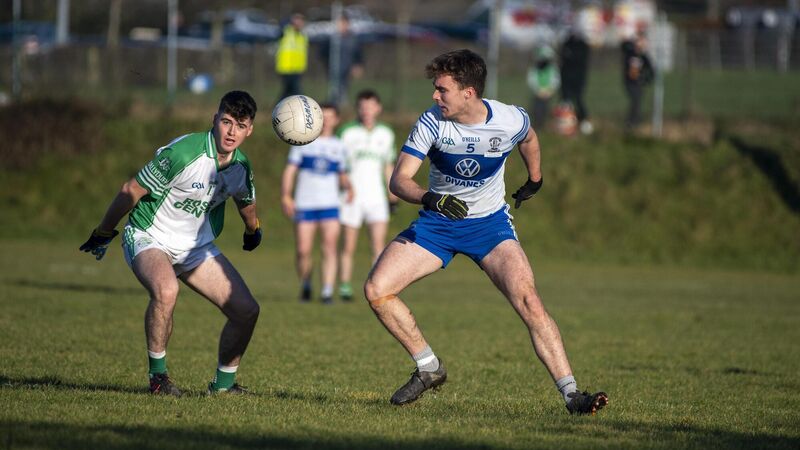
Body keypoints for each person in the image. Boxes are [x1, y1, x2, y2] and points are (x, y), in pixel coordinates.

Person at [363, 49, 608, 415]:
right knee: (377, 289)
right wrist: (431, 199)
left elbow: (529, 138)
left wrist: (535, 179)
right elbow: (399, 181)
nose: (434, 96)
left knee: (529, 301)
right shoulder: (432, 123)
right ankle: (429, 367)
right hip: (438, 223)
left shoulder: (509, 118)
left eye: (442, 89)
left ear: (469, 92)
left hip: (489, 226)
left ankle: (573, 395)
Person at [79, 91, 263, 396]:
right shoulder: (184, 153)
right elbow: (131, 190)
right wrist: (104, 230)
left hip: (196, 248)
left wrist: (252, 229)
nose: (231, 132)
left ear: (250, 130)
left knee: (247, 311)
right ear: (214, 119)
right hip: (149, 235)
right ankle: (158, 379)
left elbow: (245, 200)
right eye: (227, 122)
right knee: (166, 290)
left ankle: (223, 386)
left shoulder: (241, 166)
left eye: (240, 126)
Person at [280, 103, 353, 304]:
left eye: (331, 117)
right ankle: (306, 284)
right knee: (303, 250)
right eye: (323, 117)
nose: (327, 121)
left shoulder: (339, 146)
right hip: (305, 204)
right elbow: (290, 171)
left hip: (330, 204)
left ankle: (327, 291)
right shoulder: (302, 141)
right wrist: (286, 195)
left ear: (337, 120)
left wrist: (350, 188)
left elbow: (342, 174)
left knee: (329, 247)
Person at [336, 90, 399, 301]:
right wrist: (345, 185)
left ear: (378, 108)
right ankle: (345, 285)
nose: (367, 111)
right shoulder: (346, 132)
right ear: (357, 108)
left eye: (371, 106)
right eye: (363, 106)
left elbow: (388, 166)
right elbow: (339, 166)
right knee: (348, 245)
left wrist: (392, 196)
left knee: (378, 245)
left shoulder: (386, 133)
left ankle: (376, 285)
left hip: (376, 197)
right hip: (351, 197)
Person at [321, 14, 364, 107]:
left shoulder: (352, 38)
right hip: (333, 69)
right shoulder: (332, 38)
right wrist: (327, 63)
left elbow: (358, 53)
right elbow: (323, 52)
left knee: (344, 88)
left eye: (343, 23)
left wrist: (357, 65)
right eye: (340, 23)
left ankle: (342, 106)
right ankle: (333, 105)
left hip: (347, 68)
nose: (341, 25)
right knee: (334, 88)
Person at [559, 30, 593, 135]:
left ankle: (582, 121)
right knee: (566, 102)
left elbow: (581, 59)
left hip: (578, 79)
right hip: (566, 79)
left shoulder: (583, 46)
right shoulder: (566, 44)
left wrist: (571, 56)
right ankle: (566, 125)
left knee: (578, 100)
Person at [621, 31, 654, 131]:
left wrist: (644, 79)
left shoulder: (644, 57)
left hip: (639, 83)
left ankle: (634, 122)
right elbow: (623, 46)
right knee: (635, 101)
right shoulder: (630, 52)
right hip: (630, 83)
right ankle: (632, 122)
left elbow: (651, 71)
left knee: (637, 102)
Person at [275, 13, 308, 102]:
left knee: (287, 91)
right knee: (296, 92)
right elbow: (281, 24)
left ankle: (278, 107)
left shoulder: (302, 35)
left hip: (297, 69)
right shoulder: (286, 32)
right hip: (286, 68)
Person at [526, 45, 561, 130]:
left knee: (547, 109)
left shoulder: (553, 69)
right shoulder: (535, 68)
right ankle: (537, 125)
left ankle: (546, 125)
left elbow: (556, 80)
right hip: (538, 94)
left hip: (548, 93)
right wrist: (538, 90)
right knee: (537, 109)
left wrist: (550, 90)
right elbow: (531, 79)